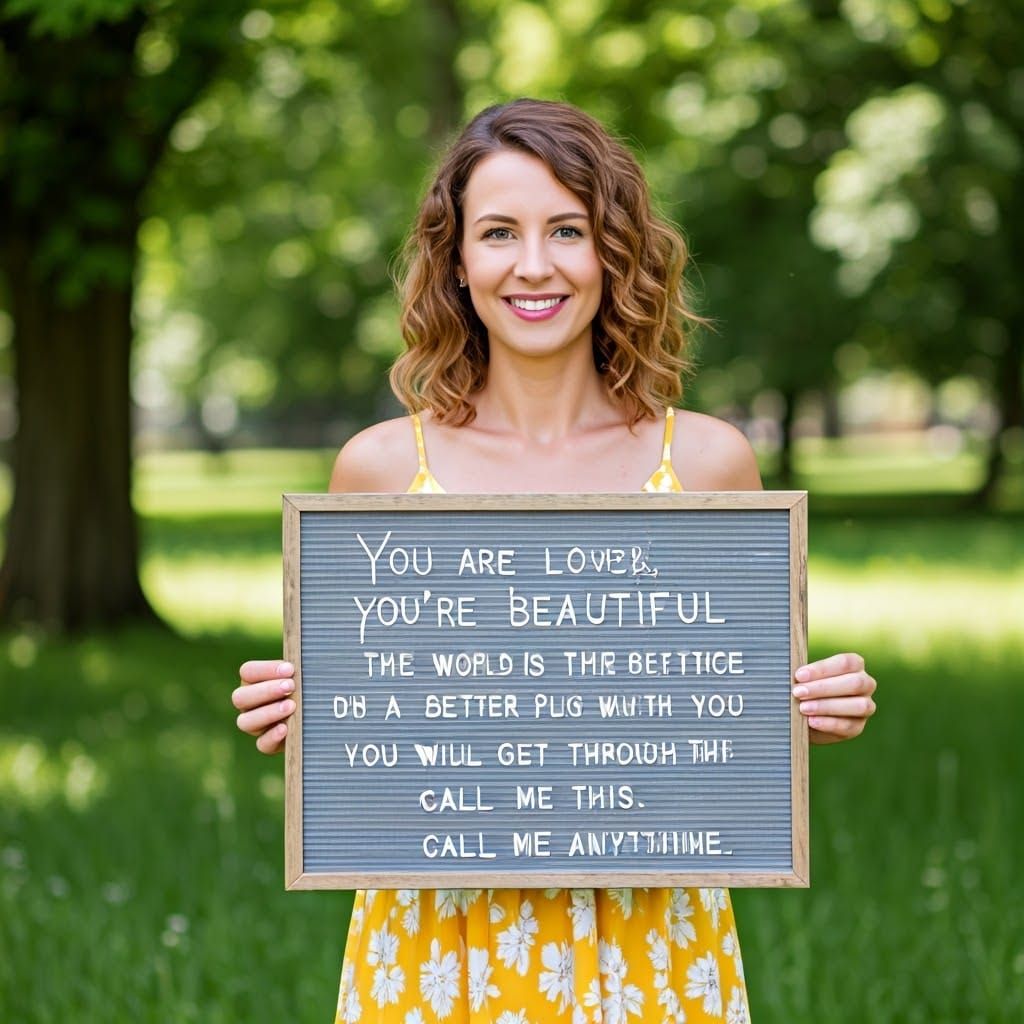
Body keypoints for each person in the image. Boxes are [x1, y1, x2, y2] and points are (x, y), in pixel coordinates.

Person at [232, 98, 877, 1024]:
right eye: (499, 232)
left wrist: (810, 707)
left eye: (567, 230)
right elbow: (369, 733)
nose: (534, 265)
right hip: (437, 938)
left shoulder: (706, 462)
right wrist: (307, 715)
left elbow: (729, 713)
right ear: (457, 260)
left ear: (612, 252)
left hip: (652, 934)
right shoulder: (378, 470)